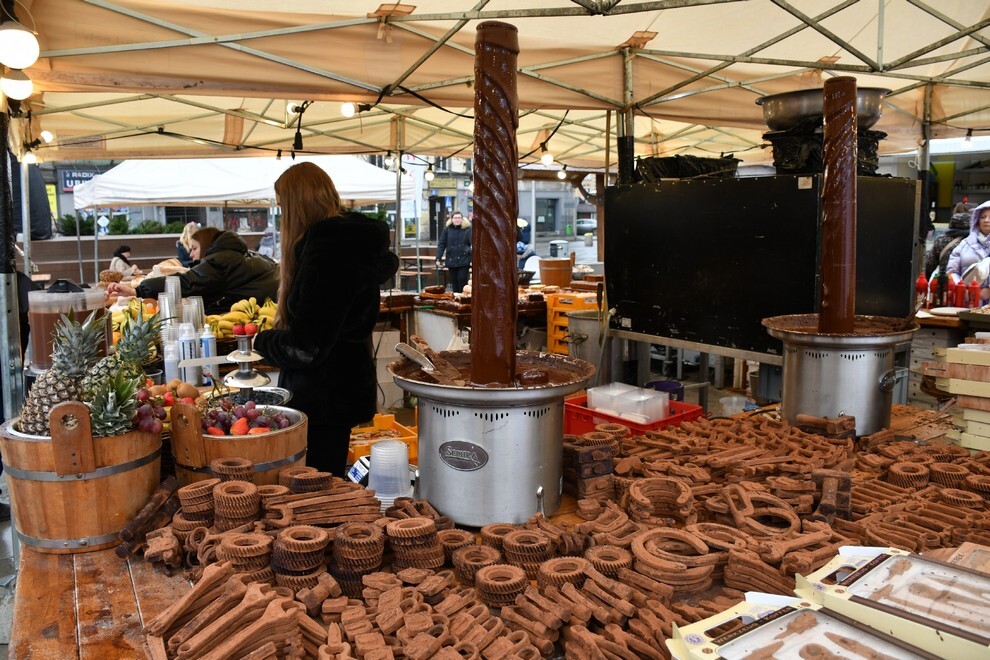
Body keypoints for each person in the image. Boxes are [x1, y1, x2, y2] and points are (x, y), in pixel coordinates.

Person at [254, 162, 398, 477]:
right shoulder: (348, 245)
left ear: (296, 207)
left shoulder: (329, 254)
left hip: (324, 399)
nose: (282, 217)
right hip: (339, 391)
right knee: (325, 479)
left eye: (282, 207)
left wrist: (259, 341)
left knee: (316, 488)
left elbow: (306, 346)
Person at [106, 226, 279, 314]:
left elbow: (186, 282)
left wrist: (137, 289)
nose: (191, 253)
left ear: (206, 246)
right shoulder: (244, 255)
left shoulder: (220, 260)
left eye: (195, 248)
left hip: (256, 314)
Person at [946, 200, 990, 303]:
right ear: (977, 220)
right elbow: (952, 272)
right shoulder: (965, 244)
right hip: (964, 302)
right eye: (983, 217)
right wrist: (961, 289)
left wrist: (987, 292)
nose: (986, 220)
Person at [925, 202, 970, 279]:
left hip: (946, 284)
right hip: (970, 285)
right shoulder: (973, 242)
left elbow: (929, 266)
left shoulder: (941, 241)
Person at [436, 211, 472, 293]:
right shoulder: (447, 230)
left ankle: (463, 298)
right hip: (451, 259)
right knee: (454, 281)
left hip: (464, 259)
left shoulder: (467, 230)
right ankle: (456, 299)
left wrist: (469, 252)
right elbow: (441, 244)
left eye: (459, 218)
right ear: (452, 219)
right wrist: (438, 257)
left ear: (462, 219)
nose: (457, 220)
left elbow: (472, 244)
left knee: (462, 279)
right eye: (455, 218)